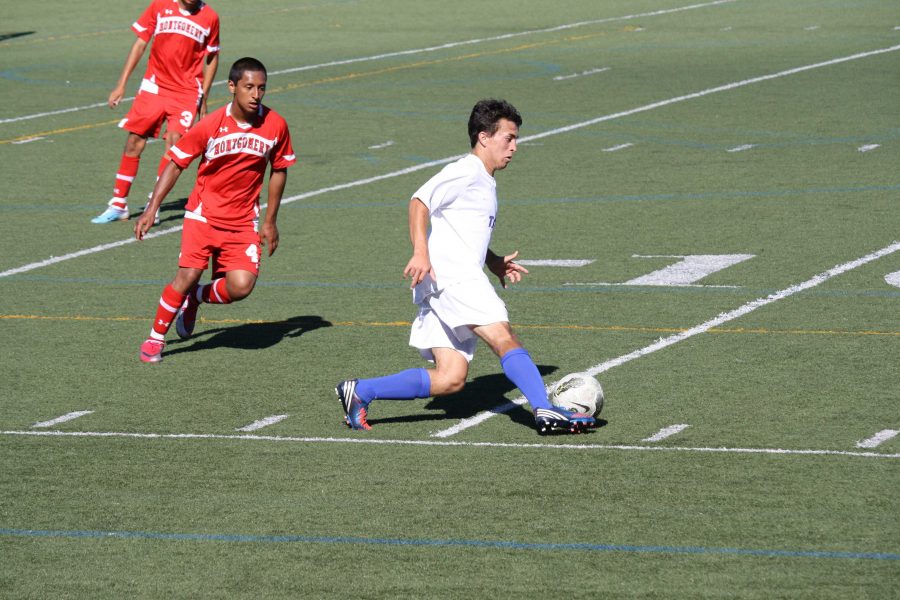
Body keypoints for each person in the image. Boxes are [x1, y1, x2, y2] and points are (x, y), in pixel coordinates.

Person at [336, 99, 596, 435]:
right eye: (509, 138)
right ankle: (544, 410)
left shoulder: (485, 180)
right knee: (503, 336)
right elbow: (419, 201)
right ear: (484, 137)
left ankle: (361, 392)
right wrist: (420, 252)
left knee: (450, 378)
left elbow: (464, 230)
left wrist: (493, 261)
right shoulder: (466, 171)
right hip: (453, 277)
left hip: (442, 281)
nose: (515, 147)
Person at [135, 57, 296, 363]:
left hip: (243, 221)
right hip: (203, 216)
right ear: (232, 87)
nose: (256, 94)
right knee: (187, 275)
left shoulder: (275, 125)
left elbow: (280, 169)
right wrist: (151, 209)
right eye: (249, 87)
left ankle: (194, 298)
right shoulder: (210, 125)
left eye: (261, 88)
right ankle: (155, 338)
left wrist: (271, 221)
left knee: (241, 287)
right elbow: (176, 163)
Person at [92, 0, 220, 224]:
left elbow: (212, 57)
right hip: (154, 87)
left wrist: (204, 98)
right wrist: (122, 84)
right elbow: (140, 43)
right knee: (134, 141)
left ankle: (154, 205)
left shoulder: (210, 17)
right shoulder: (159, 5)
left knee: (173, 143)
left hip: (187, 93)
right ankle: (118, 204)